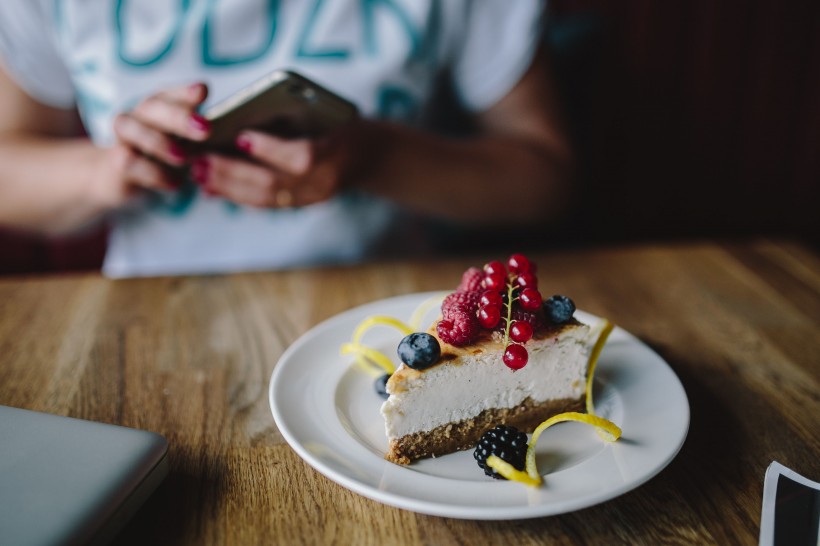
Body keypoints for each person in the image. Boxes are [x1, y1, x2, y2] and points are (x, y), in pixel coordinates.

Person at [0, 0, 571, 277]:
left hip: (385, 314)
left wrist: (373, 157)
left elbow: (545, 180)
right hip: (146, 317)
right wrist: (104, 173)